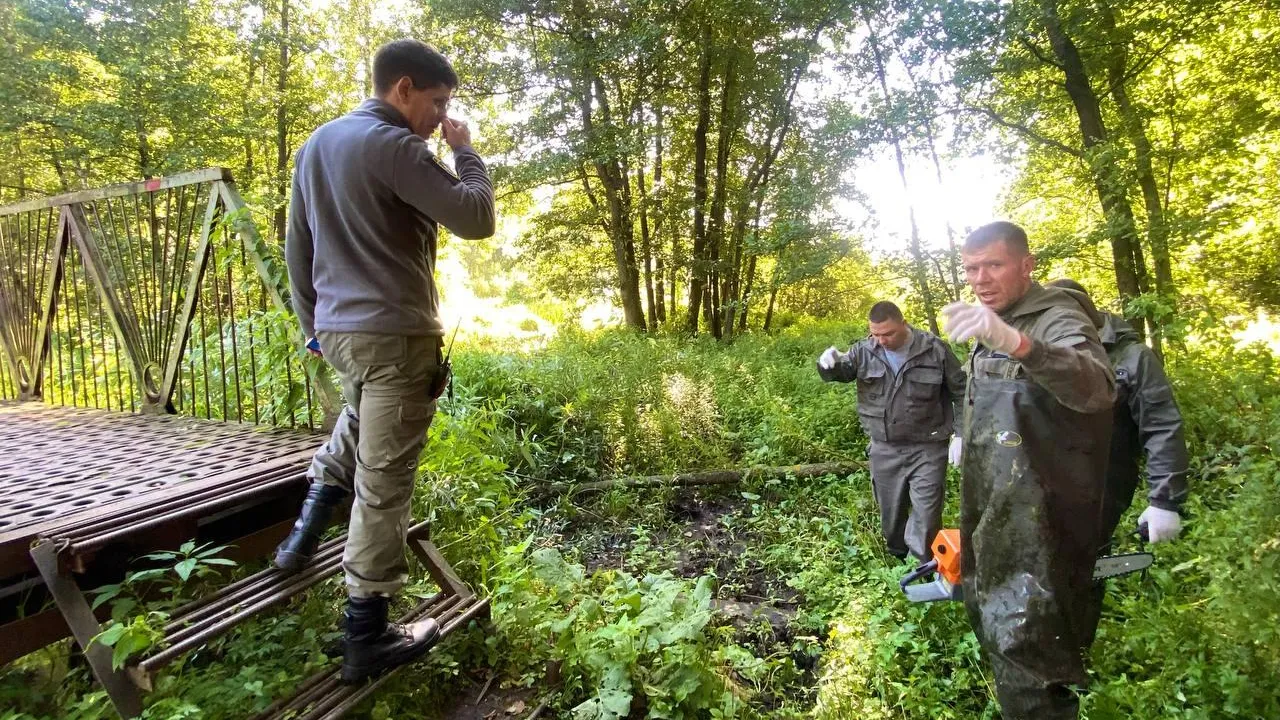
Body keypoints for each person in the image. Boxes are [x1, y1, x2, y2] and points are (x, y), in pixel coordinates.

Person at [278, 38, 496, 684]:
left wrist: (312, 325)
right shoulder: (395, 147)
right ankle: (367, 632)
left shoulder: (316, 146)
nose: (440, 116)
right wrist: (464, 152)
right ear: (402, 88)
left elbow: (298, 247)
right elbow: (475, 217)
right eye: (438, 102)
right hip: (397, 335)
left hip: (342, 332)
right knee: (385, 482)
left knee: (356, 420)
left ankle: (301, 537)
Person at [940, 222, 1115, 719]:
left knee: (1028, 647)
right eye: (971, 268)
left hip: (1041, 522)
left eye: (993, 265)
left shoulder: (1055, 318)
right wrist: (963, 434)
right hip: (995, 509)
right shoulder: (993, 318)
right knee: (999, 627)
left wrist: (1020, 344)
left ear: (1026, 264)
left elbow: (1097, 387)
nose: (980, 278)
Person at [816, 301, 966, 562]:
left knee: (927, 511)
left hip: (928, 446)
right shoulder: (863, 351)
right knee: (892, 513)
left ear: (903, 324)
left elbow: (961, 391)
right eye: (875, 334)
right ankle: (898, 557)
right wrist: (827, 365)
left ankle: (922, 566)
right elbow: (841, 373)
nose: (882, 340)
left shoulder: (933, 349)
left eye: (888, 334)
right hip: (885, 447)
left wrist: (962, 433)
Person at [1045, 279, 1189, 545]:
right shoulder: (1048, 351)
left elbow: (1161, 427)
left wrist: (1164, 501)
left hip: (1102, 484)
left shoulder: (1133, 358)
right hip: (1043, 480)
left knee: (1080, 561)